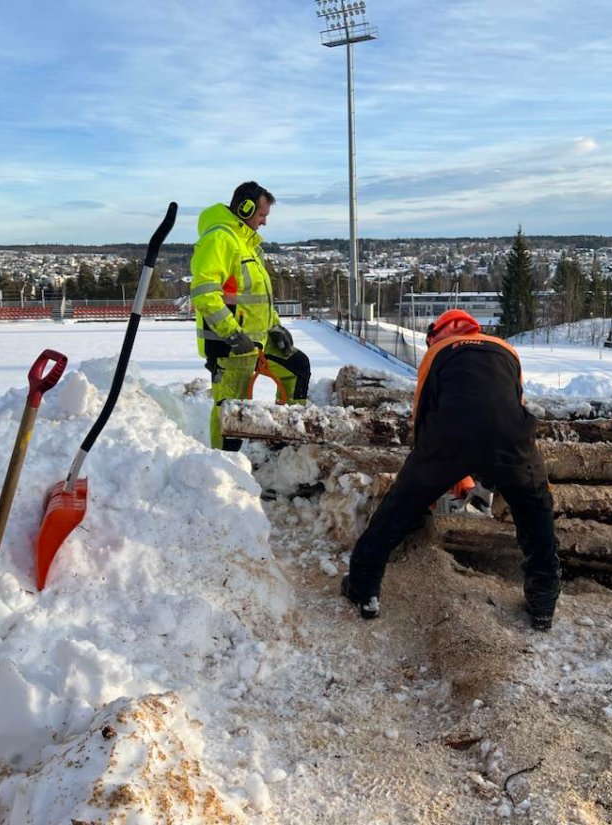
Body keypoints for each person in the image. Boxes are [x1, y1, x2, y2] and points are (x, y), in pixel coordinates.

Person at [341, 309, 561, 630]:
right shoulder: (506, 349)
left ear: (438, 333)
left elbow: (424, 416)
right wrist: (490, 470)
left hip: (448, 437)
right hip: (512, 434)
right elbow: (509, 404)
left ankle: (363, 587)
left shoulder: (437, 352)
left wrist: (429, 475)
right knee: (535, 508)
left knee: (399, 506)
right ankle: (543, 598)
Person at [190, 182, 311, 450]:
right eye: (262, 215)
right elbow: (204, 294)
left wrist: (276, 327)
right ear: (245, 209)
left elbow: (257, 298)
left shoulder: (246, 245)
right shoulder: (220, 239)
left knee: (298, 367)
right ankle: (223, 469)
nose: (265, 222)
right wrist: (232, 333)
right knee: (232, 412)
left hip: (258, 341)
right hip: (230, 347)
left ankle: (288, 443)